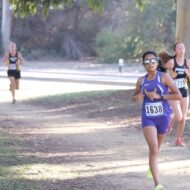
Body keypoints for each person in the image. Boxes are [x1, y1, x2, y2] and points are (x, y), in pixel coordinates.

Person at [133, 50, 181, 190]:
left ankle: (151, 167)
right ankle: (157, 184)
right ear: (144, 64)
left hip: (164, 117)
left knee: (157, 149)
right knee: (153, 149)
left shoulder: (164, 77)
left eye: (152, 60)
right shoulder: (141, 80)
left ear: (157, 62)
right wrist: (138, 97)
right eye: (146, 61)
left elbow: (177, 95)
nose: (150, 64)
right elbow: (135, 96)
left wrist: (160, 96)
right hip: (148, 118)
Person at [163, 42, 190, 146]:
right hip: (173, 92)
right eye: (179, 48)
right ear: (175, 50)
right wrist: (170, 75)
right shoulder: (171, 62)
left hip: (184, 92)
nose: (181, 50)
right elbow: (162, 75)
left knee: (183, 118)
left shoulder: (188, 63)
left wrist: (188, 74)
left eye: (183, 47)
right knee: (178, 117)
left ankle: (178, 139)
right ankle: (170, 122)